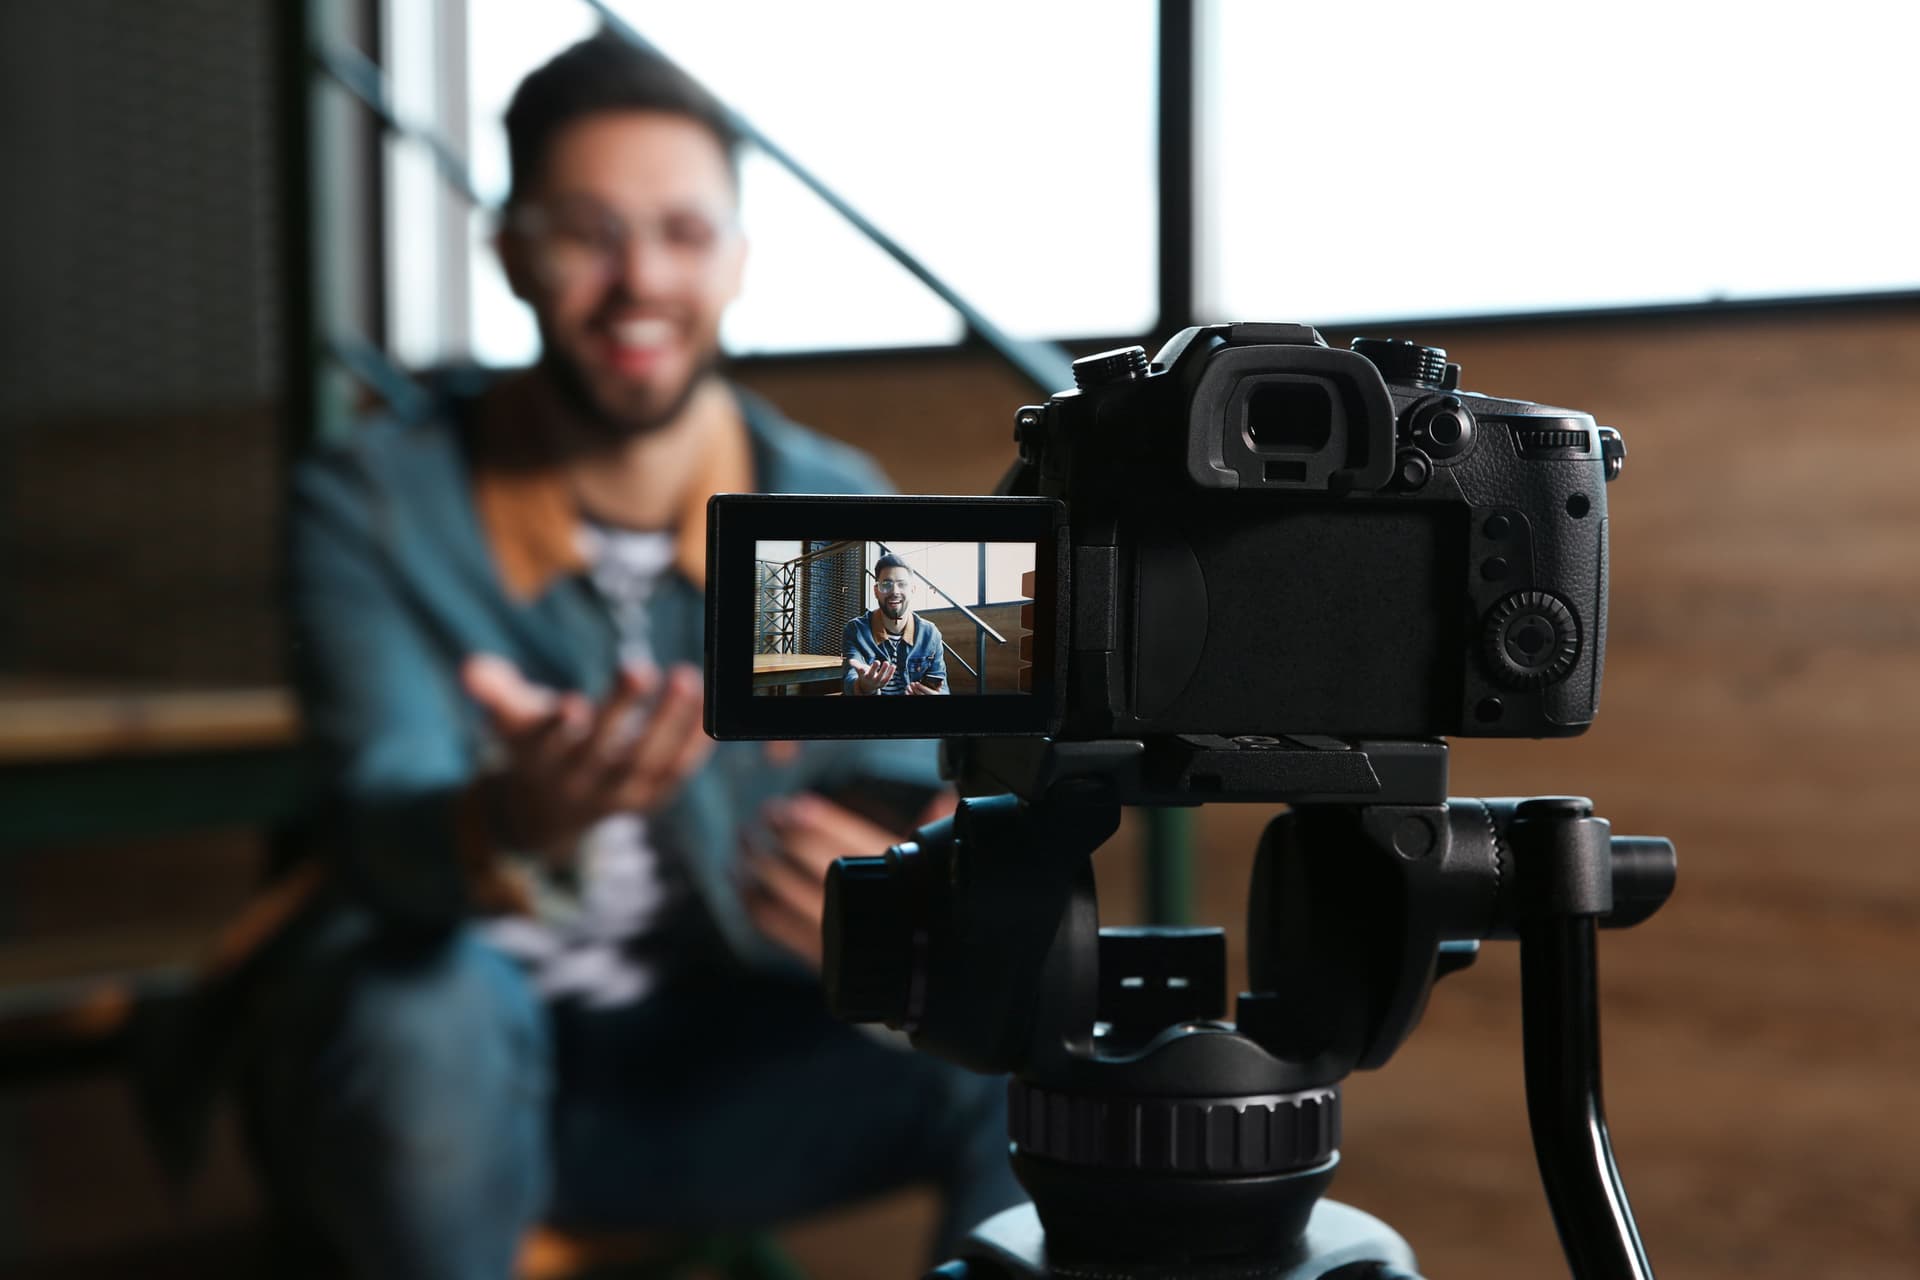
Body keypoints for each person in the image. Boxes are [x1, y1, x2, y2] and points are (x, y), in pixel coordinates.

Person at [254, 31, 1021, 1280]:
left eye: (682, 231)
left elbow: (916, 785)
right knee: (418, 1015)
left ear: (737, 259)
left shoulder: (824, 504)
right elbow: (378, 824)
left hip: (727, 1055)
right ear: (510, 251)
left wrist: (905, 886)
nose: (639, 281)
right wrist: (512, 811)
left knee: (1031, 1014)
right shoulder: (379, 503)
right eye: (587, 230)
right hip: (459, 1065)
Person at [843, 553, 949, 695]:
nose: (894, 591)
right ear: (876, 591)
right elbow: (850, 680)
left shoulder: (930, 634)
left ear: (912, 589)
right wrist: (864, 686)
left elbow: (943, 688)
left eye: (902, 584)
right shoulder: (855, 630)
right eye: (886, 584)